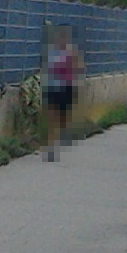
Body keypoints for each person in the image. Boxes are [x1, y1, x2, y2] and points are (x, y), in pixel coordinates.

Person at [41, 24, 83, 162]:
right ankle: (50, 148)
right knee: (52, 118)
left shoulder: (72, 53)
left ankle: (59, 137)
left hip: (66, 89)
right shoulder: (51, 53)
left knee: (62, 119)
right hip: (53, 89)